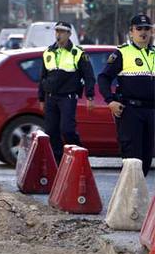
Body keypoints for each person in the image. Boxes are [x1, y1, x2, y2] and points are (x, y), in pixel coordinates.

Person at [98, 14, 154, 176]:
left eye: (147, 29)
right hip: (130, 111)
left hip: (150, 112)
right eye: (139, 29)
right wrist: (110, 101)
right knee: (132, 157)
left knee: (146, 157)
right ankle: (128, 196)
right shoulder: (122, 53)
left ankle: (138, 194)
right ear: (131, 32)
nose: (143, 32)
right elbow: (103, 78)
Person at [38, 21, 95, 164]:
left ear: (69, 34)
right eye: (57, 31)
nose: (59, 34)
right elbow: (43, 76)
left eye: (62, 31)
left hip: (68, 97)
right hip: (51, 97)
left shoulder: (78, 53)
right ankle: (58, 163)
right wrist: (41, 98)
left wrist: (90, 95)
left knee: (67, 130)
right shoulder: (48, 52)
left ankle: (80, 157)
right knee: (51, 131)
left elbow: (89, 76)